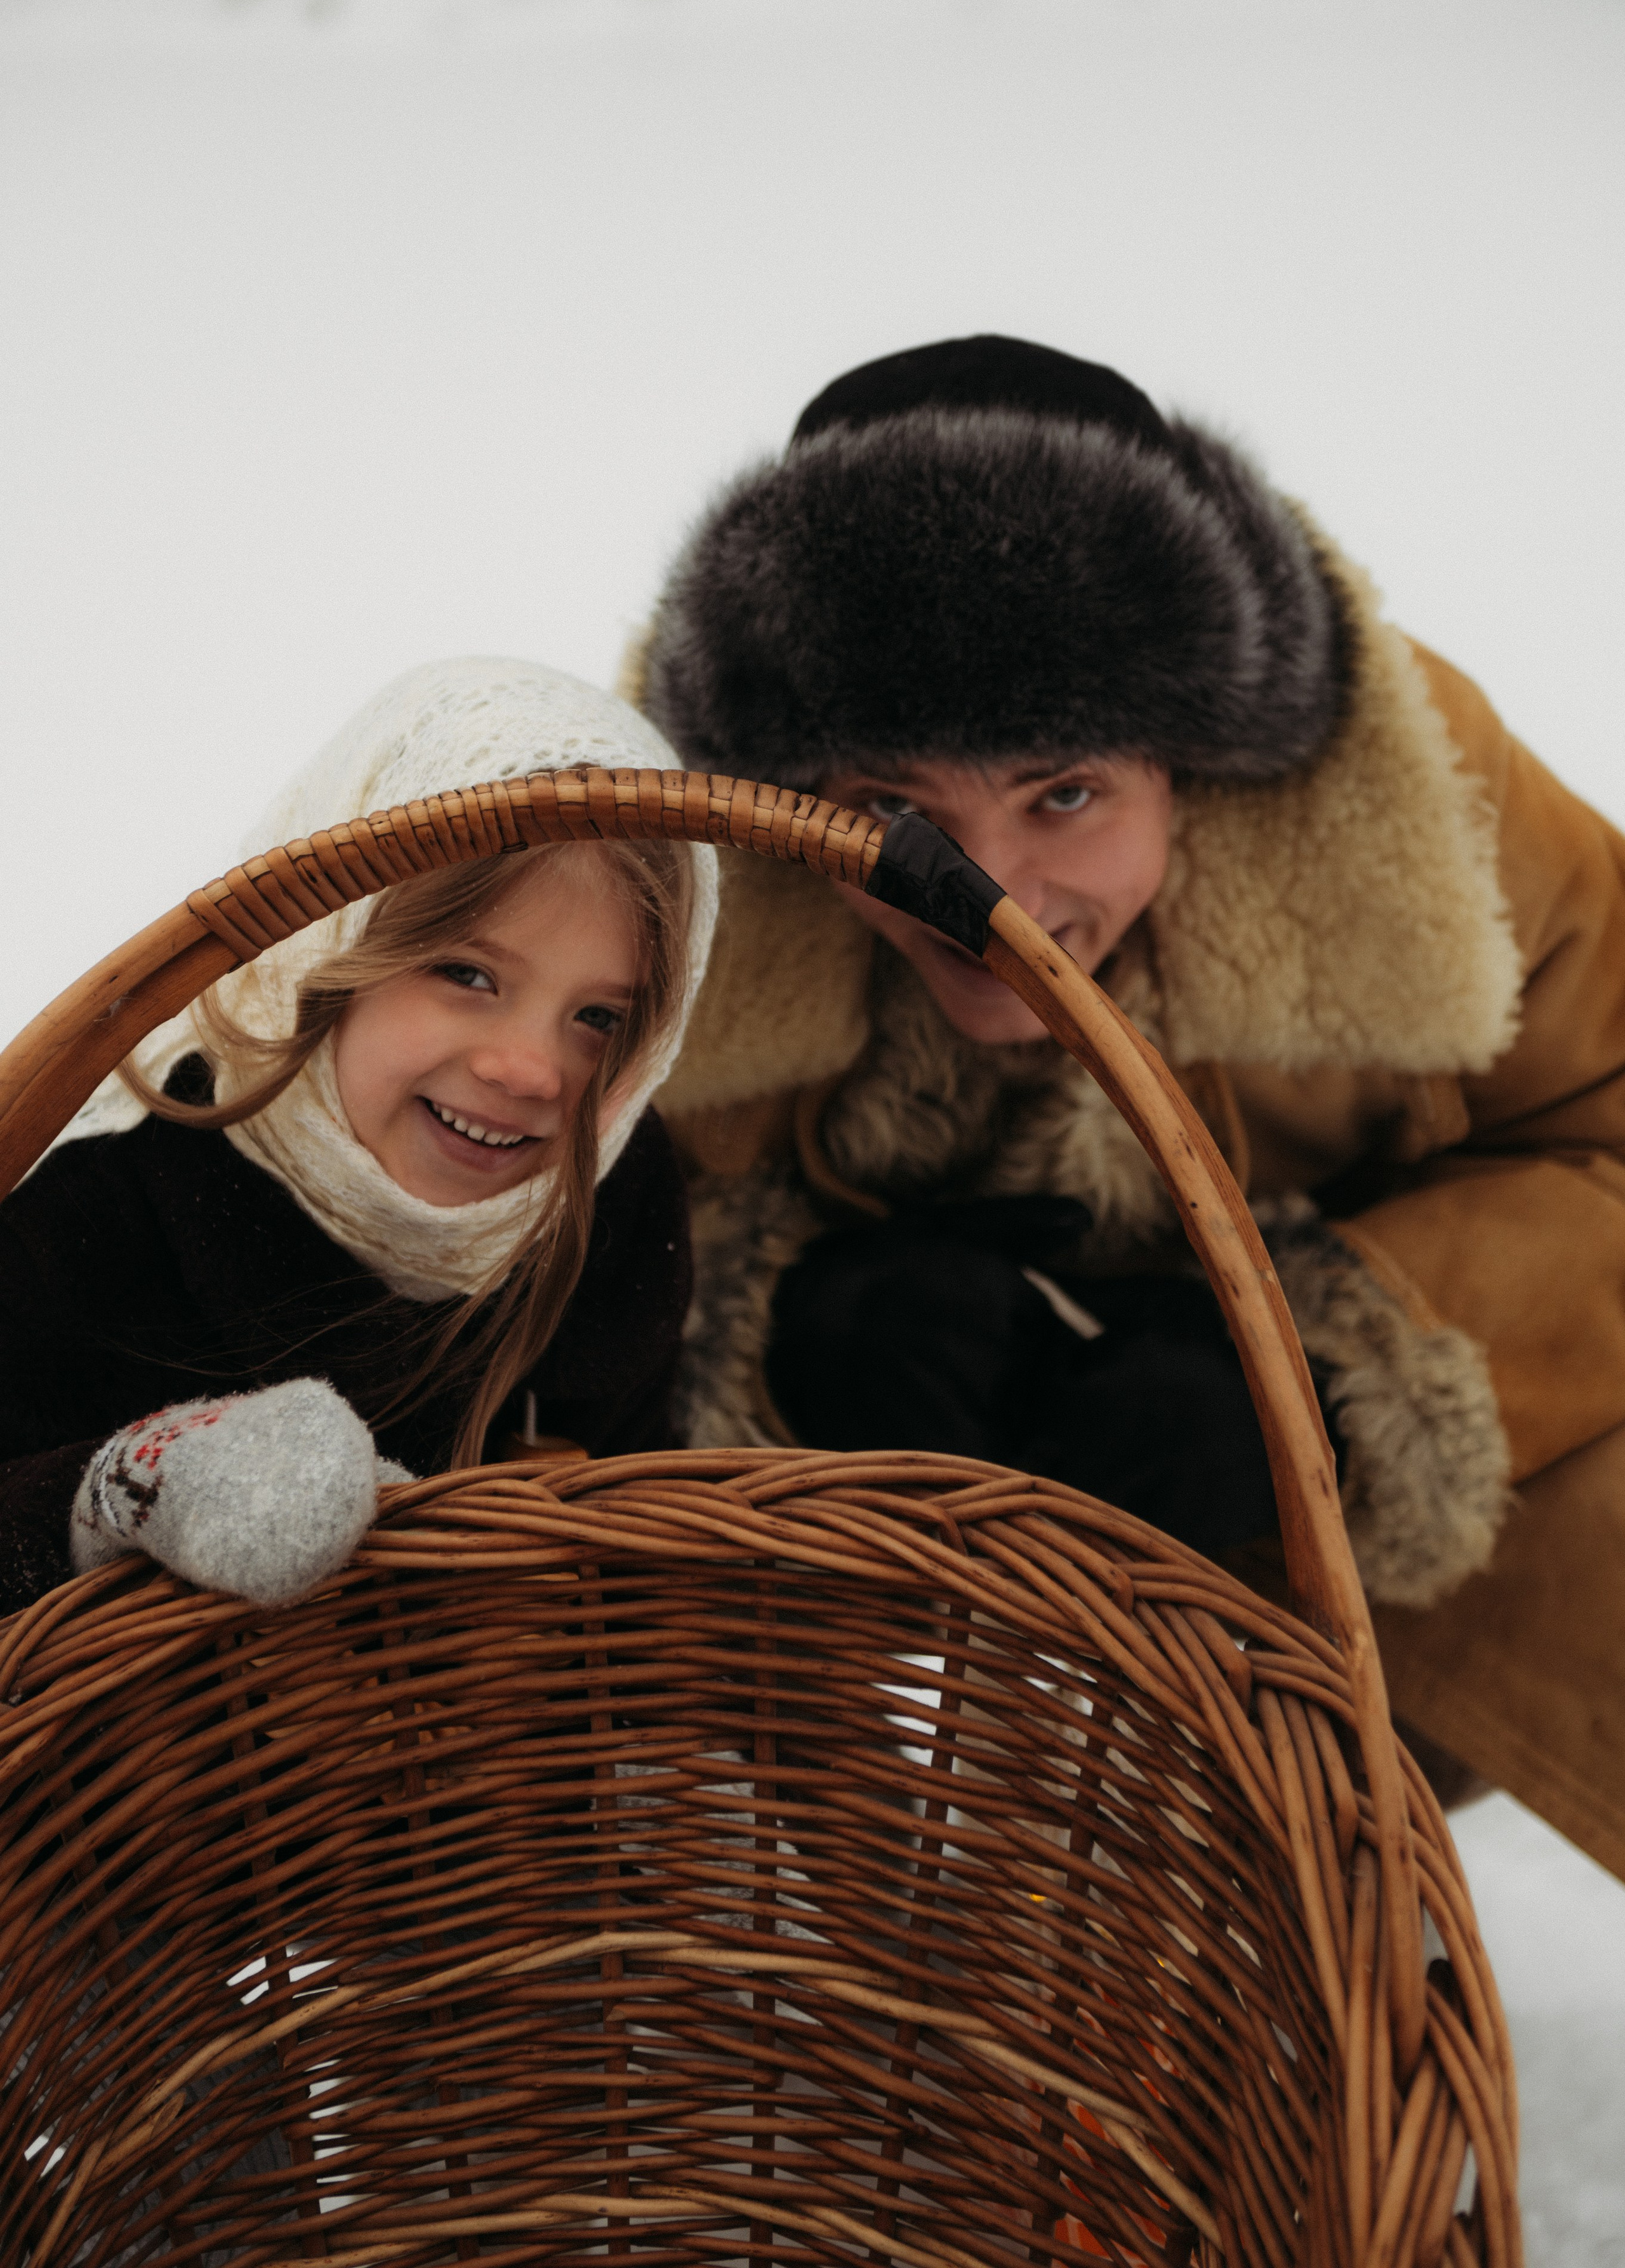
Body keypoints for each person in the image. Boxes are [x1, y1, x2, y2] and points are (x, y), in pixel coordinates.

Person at [627, 333, 1625, 1861]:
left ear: (1191, 763)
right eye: (894, 810)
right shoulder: (672, 860)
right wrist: (772, 1331)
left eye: (1064, 795)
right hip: (918, 1581)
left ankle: (1340, 1821)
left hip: (1298, 1468)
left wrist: (1321, 1376)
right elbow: (520, 1234)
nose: (987, 898)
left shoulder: (1435, 811)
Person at [0, 658, 717, 1615]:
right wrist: (120, 1490)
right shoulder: (111, 1192)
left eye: (600, 1019)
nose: (532, 1071)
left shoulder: (609, 1201)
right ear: (331, 946)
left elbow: (634, 1502)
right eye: (468, 975)